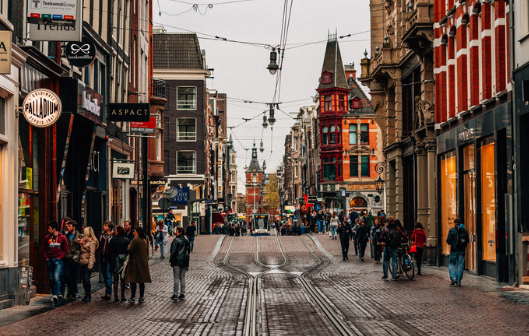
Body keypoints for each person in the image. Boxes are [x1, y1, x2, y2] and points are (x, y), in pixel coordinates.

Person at [42, 221, 68, 304]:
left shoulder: (62, 238)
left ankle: (55, 295)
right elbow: (43, 249)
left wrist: (59, 258)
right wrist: (47, 258)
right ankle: (54, 293)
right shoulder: (46, 238)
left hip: (57, 261)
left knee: (56, 277)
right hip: (50, 260)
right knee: (51, 278)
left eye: (49, 228)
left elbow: (66, 250)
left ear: (54, 229)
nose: (48, 230)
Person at [124, 227, 152, 303]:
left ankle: (133, 297)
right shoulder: (143, 240)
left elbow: (130, 250)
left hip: (135, 263)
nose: (133, 232)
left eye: (135, 231)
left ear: (138, 232)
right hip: (142, 263)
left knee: (133, 280)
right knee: (141, 281)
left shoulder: (135, 240)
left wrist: (128, 247)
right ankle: (141, 297)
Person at [381, 216, 408, 280]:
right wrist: (406, 238)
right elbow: (403, 234)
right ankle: (394, 275)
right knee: (394, 261)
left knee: (385, 260)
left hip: (388, 246)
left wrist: (384, 241)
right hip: (395, 246)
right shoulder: (397, 228)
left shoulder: (386, 228)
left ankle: (385, 274)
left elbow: (381, 237)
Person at [61, 219, 82, 299]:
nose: (67, 227)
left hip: (75, 259)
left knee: (74, 276)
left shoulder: (79, 236)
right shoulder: (65, 236)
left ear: (74, 227)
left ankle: (74, 292)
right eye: (67, 226)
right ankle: (70, 290)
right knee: (66, 276)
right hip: (66, 258)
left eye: (69, 226)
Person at [170, 226, 191, 300]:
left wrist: (171, 260)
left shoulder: (176, 240)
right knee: (182, 277)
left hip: (177, 261)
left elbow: (173, 252)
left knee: (176, 277)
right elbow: (188, 251)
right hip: (184, 261)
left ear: (180, 232)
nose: (175, 232)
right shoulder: (186, 241)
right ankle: (182, 293)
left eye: (176, 231)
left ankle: (175, 294)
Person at [110, 225, 130, 302]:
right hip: (123, 260)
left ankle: (115, 296)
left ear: (117, 231)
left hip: (115, 260)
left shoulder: (113, 240)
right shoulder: (126, 240)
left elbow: (110, 251)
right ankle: (122, 296)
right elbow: (127, 250)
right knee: (123, 279)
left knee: (115, 279)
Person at [446, 218, 468, 286]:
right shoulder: (464, 230)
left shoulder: (452, 230)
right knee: (460, 265)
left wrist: (452, 243)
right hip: (461, 250)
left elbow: (448, 240)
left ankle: (453, 278)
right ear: (460, 223)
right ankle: (458, 281)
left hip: (453, 250)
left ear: (454, 223)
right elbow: (467, 241)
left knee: (451, 264)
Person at [79, 227, 98, 302]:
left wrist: (90, 265)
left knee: (86, 279)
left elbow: (92, 254)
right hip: (82, 262)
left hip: (87, 262)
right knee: (84, 279)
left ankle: (88, 294)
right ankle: (86, 293)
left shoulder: (92, 242)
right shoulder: (84, 241)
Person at [98, 220, 114, 300]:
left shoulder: (113, 236)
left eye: (105, 225)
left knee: (108, 275)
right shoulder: (101, 235)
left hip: (109, 259)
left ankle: (108, 293)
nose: (103, 226)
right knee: (104, 275)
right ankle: (107, 291)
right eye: (104, 225)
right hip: (102, 258)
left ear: (109, 227)